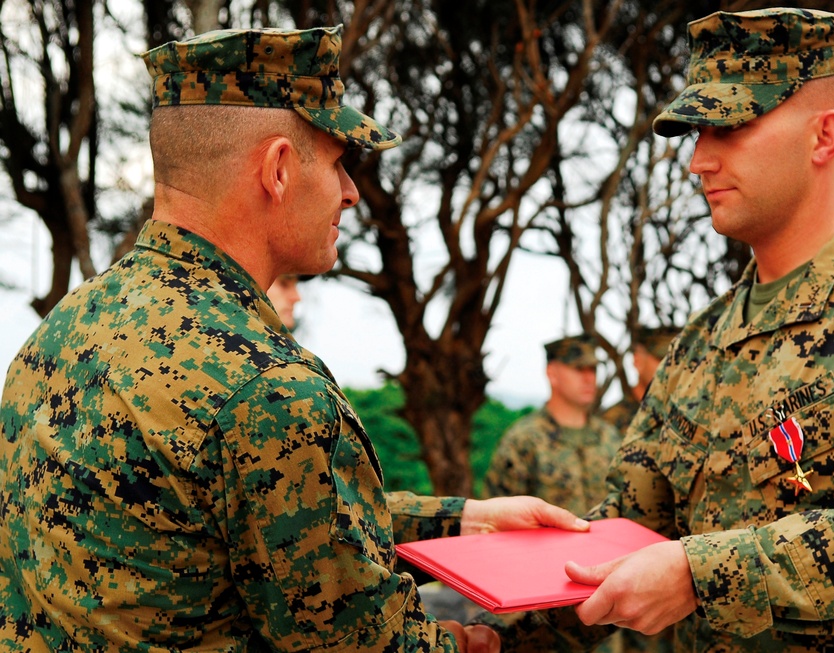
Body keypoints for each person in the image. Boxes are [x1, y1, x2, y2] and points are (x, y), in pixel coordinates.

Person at [0, 26, 589, 652]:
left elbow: (238, 519)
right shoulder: (267, 389)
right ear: (278, 168)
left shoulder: (61, 332)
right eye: (338, 164)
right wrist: (515, 635)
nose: (352, 192)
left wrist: (463, 521)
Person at [470, 8, 834, 651]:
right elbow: (621, 537)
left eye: (727, 128)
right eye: (696, 134)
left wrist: (702, 575)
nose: (698, 161)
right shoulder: (700, 344)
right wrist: (489, 642)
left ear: (824, 138)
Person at [483, 334, 621, 517]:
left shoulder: (609, 437)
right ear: (552, 373)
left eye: (593, 370)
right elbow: (496, 514)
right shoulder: (525, 439)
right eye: (579, 369)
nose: (589, 378)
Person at [602, 326, 680, 432]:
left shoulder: (689, 418)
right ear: (637, 360)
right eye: (662, 360)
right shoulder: (611, 423)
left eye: (678, 362)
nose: (672, 368)